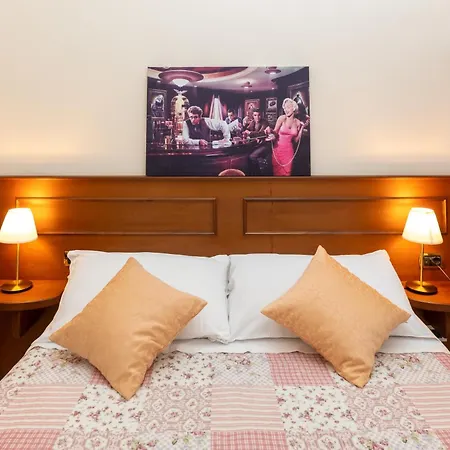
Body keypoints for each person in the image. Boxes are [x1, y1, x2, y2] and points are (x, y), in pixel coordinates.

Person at [266, 98, 305, 176]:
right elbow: (275, 132)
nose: (286, 110)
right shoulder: (281, 118)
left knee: (287, 173)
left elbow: (296, 140)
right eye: (284, 108)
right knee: (277, 174)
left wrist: (302, 128)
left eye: (288, 107)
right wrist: (270, 131)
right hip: (278, 150)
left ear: (294, 108)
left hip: (289, 152)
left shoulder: (297, 122)